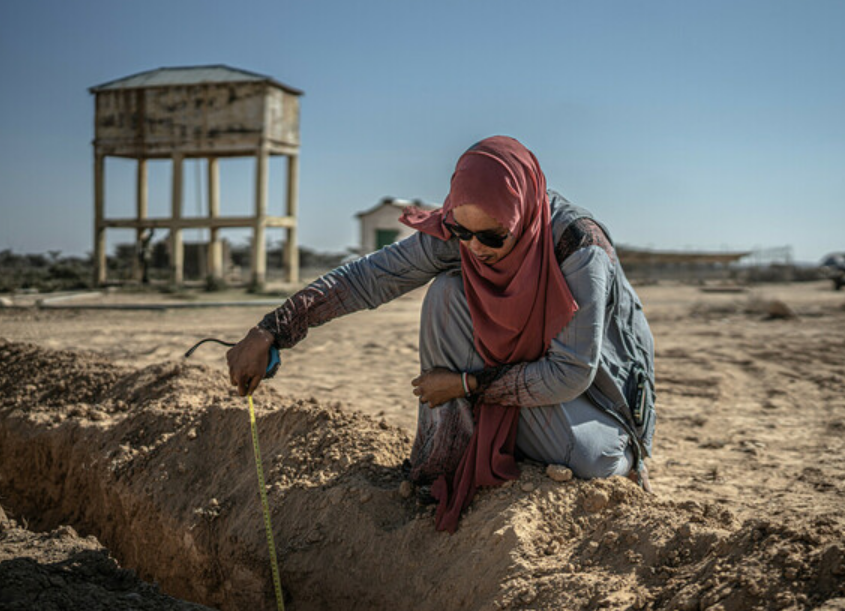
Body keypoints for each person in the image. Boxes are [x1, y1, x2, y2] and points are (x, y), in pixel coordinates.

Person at [226, 136, 656, 533]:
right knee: (447, 292)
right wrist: (273, 330)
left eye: (492, 236)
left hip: (593, 396)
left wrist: (466, 386)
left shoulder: (577, 248)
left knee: (591, 460)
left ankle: (606, 454)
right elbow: (368, 278)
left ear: (522, 215)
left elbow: (571, 372)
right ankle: (442, 461)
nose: (475, 247)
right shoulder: (461, 232)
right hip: (512, 382)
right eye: (462, 232)